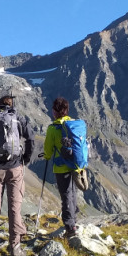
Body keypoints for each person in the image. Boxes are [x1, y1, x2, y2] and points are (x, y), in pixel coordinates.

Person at [0, 95, 35, 256]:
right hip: (14, 168)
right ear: (11, 104)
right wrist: (25, 158)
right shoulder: (18, 118)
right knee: (14, 208)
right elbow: (31, 139)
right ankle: (15, 249)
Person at [43, 96, 78, 238]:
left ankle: (70, 227)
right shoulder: (74, 124)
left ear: (55, 111)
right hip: (75, 165)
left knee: (66, 195)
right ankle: (74, 220)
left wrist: (46, 156)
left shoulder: (53, 128)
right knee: (73, 193)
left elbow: (48, 149)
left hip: (61, 166)